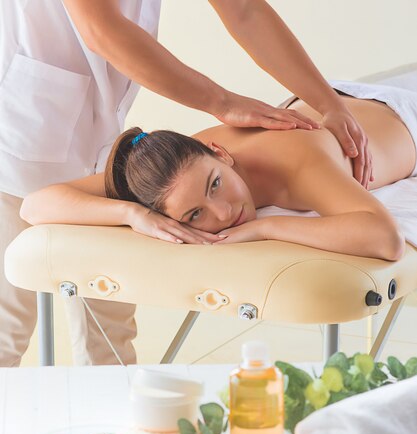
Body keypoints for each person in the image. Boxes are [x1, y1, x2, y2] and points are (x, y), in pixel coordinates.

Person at [1, 0, 372, 366]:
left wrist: (329, 104)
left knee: (109, 324)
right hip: (23, 128)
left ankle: (114, 425)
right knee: (8, 326)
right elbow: (101, 29)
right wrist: (220, 102)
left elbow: (245, 10)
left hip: (95, 131)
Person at [22, 76, 417, 264]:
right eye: (195, 215)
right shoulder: (171, 166)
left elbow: (385, 239)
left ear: (220, 153)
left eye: (216, 184)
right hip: (349, 98)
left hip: (400, 111)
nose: (225, 213)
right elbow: (35, 205)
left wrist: (265, 227)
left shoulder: (298, 162)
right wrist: (131, 212)